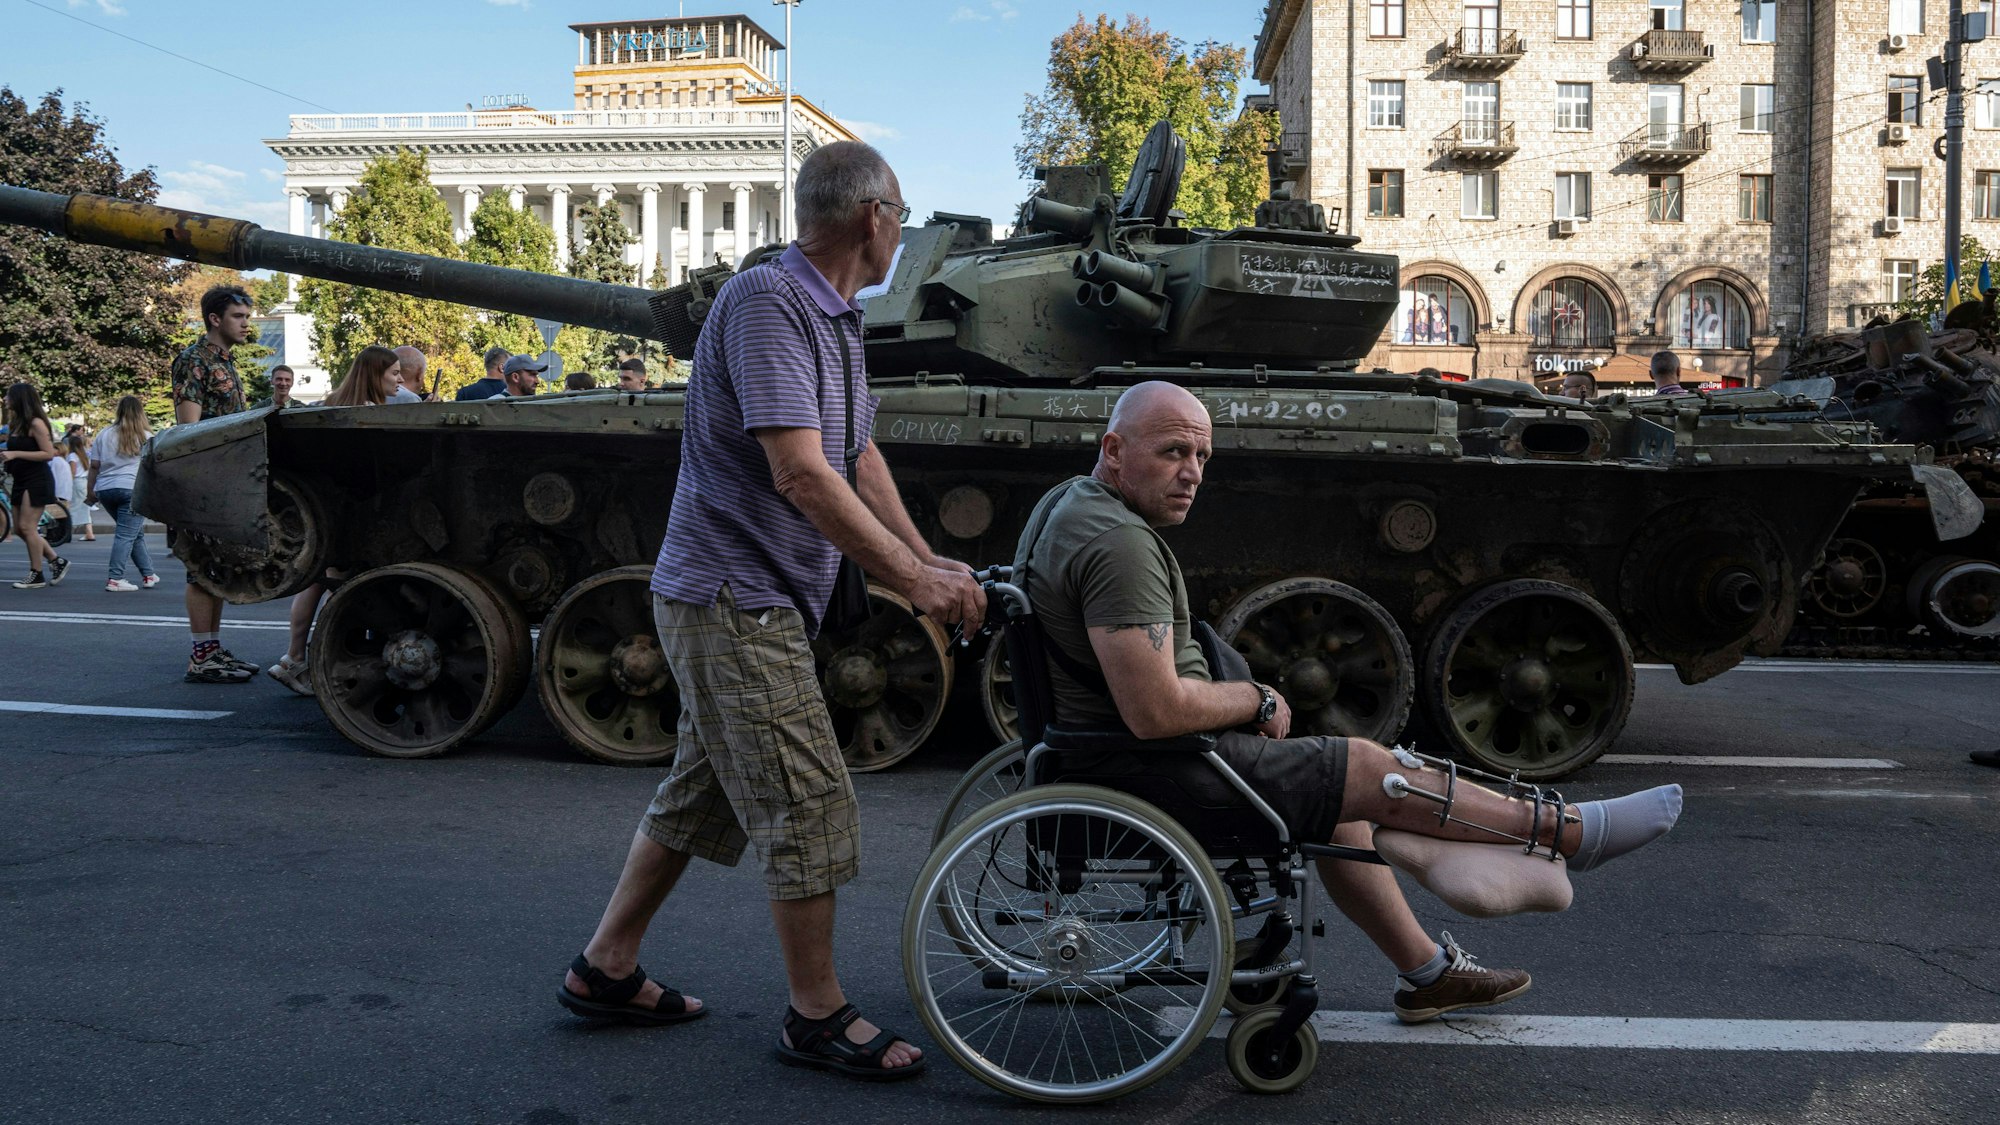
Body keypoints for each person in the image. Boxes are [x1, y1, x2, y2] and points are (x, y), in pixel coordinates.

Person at [1015, 381, 1683, 1024]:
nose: (1192, 472)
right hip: (1163, 768)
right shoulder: (1118, 543)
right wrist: (1253, 698)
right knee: (1366, 767)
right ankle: (1565, 832)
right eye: (1172, 452)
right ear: (1113, 450)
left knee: (1343, 784)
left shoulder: (1068, 505)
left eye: (1201, 456)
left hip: (1127, 757)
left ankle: (1427, 971)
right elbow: (1153, 711)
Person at [557, 140, 983, 1082]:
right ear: (873, 216)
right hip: (731, 596)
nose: (902, 229)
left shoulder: (834, 319)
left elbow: (857, 457)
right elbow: (798, 469)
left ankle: (606, 966)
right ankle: (816, 1014)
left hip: (754, 594)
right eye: (901, 213)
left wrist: (923, 557)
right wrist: (916, 586)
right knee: (809, 799)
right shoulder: (767, 305)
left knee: (699, 793)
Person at [267, 346, 400, 696]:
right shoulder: (370, 414)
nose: (399, 379)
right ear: (376, 375)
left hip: (325, 512)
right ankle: (329, 663)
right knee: (344, 594)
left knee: (314, 585)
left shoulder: (332, 402)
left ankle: (293, 658)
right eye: (394, 373)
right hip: (355, 516)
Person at [172, 285, 258, 683]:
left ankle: (212, 650)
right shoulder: (194, 361)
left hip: (226, 479)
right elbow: (188, 430)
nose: (246, 323)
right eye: (238, 316)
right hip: (204, 479)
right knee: (200, 569)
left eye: (246, 315)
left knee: (216, 568)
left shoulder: (226, 362)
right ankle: (201, 655)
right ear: (214, 319)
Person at [87, 395, 158, 592]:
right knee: (126, 535)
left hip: (106, 489)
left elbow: (94, 466)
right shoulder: (147, 436)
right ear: (140, 412)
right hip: (132, 489)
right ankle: (115, 579)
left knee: (134, 533)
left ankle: (148, 574)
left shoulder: (104, 434)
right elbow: (154, 468)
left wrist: (90, 491)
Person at [2, 381, 68, 589]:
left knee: (27, 527)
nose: (4, 400)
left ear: (20, 399)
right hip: (20, 479)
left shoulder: (36, 423)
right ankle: (56, 560)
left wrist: (15, 453)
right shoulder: (16, 423)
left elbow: (49, 453)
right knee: (20, 530)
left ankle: (36, 574)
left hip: (36, 479)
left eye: (8, 396)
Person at [63, 430, 96, 542]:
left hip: (76, 482)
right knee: (84, 508)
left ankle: (67, 532)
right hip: (84, 482)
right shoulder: (84, 455)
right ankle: (89, 532)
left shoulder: (72, 456)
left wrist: (67, 484)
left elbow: (72, 471)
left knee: (73, 508)